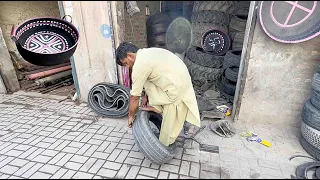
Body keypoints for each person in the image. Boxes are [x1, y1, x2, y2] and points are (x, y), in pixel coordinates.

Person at [115, 42, 200, 147]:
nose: (127, 67)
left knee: (168, 127)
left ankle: (166, 144)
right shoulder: (146, 53)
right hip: (182, 78)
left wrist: (131, 116)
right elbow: (148, 78)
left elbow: (134, 97)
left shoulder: (139, 65)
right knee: (147, 80)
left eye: (126, 63)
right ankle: (158, 107)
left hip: (176, 87)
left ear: (130, 56)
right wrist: (146, 96)